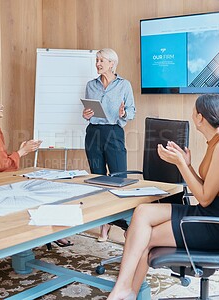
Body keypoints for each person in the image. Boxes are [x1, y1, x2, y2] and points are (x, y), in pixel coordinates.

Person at [107, 94, 219, 300]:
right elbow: (206, 188)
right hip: (208, 212)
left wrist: (181, 164)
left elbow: (205, 198)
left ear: (200, 117)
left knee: (144, 238)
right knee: (143, 211)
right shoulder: (215, 142)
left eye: (193, 111)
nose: (192, 114)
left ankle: (127, 292)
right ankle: (124, 289)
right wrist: (187, 164)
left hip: (218, 225)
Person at [0, 92, 73, 247]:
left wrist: (21, 151)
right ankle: (50, 231)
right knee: (41, 189)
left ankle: (50, 230)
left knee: (41, 185)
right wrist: (21, 152)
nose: (2, 105)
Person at [82, 48, 136, 242]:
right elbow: (89, 111)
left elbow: (131, 111)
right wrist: (86, 114)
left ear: (112, 63)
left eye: (101, 60)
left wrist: (123, 114)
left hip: (114, 132)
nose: (98, 64)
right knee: (98, 179)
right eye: (97, 60)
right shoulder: (91, 85)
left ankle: (127, 226)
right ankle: (105, 225)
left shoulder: (124, 85)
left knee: (119, 178)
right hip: (93, 132)